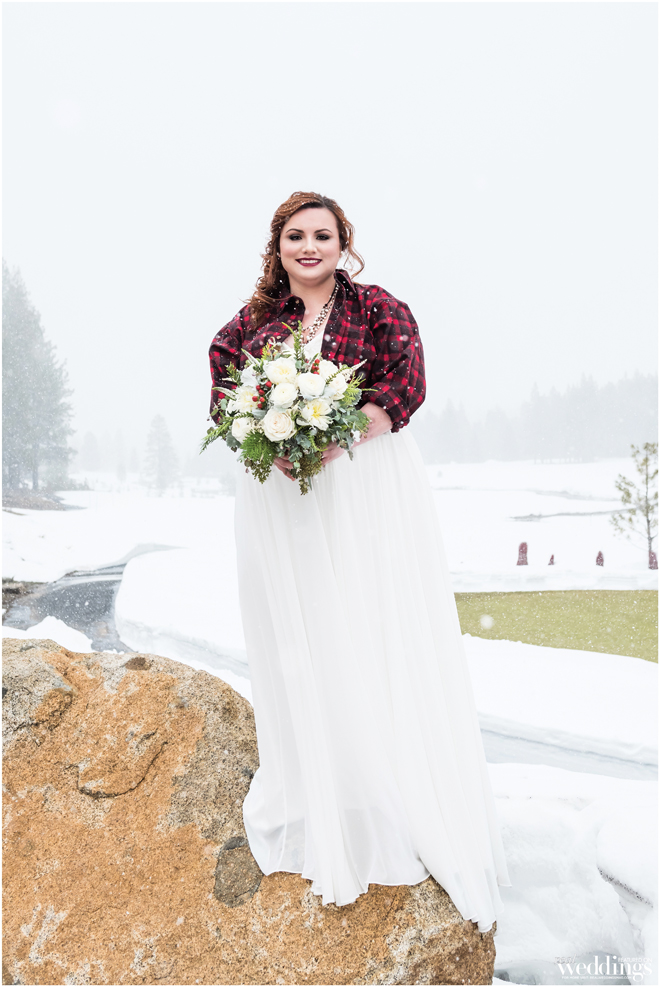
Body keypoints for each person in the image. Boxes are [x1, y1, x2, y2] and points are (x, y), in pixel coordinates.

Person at [208, 191, 512, 933]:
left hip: (363, 487)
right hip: (284, 496)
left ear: (344, 243)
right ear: (277, 247)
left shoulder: (378, 308)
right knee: (303, 634)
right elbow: (224, 390)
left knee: (370, 624)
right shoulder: (251, 324)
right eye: (295, 235)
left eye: (323, 234)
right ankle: (322, 790)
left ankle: (390, 790)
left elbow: (407, 384)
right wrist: (263, 435)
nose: (309, 247)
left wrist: (339, 436)